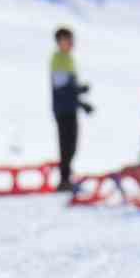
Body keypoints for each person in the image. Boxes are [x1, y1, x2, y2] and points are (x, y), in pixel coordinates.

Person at [50, 28, 92, 189]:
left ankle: (67, 177)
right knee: (66, 144)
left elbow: (69, 86)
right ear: (60, 41)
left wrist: (79, 94)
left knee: (72, 143)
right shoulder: (58, 59)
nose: (71, 43)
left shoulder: (67, 58)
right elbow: (62, 87)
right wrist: (79, 96)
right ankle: (64, 179)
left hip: (69, 106)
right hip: (63, 108)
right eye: (68, 40)